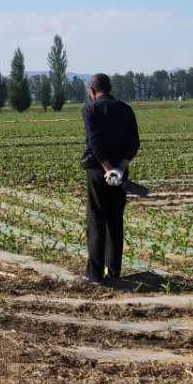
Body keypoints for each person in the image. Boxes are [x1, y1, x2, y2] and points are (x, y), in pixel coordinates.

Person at [80, 72, 140, 284]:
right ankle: (114, 271)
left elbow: (94, 141)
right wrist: (120, 169)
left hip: (98, 172)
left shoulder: (90, 109)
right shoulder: (126, 109)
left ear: (92, 91)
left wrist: (107, 168)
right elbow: (134, 143)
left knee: (96, 219)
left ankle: (95, 274)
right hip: (121, 173)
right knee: (115, 220)